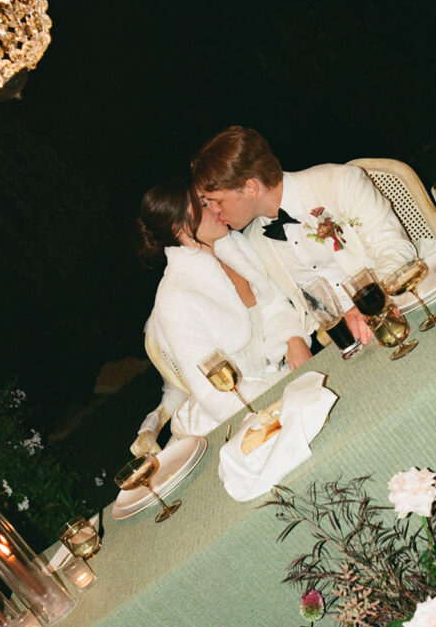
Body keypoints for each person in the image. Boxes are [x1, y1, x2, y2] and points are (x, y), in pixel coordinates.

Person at [192, 125, 416, 343]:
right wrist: (294, 341)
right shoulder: (252, 241)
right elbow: (273, 308)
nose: (214, 211)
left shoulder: (339, 182)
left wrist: (367, 306)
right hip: (342, 342)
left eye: (217, 201)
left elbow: (394, 248)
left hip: (407, 302)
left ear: (251, 188)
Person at [134, 178, 312, 440]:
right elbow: (216, 397)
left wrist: (293, 339)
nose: (218, 208)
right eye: (205, 204)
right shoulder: (176, 300)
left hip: (282, 374)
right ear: (179, 228)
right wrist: (282, 390)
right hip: (236, 416)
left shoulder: (234, 245)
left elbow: (272, 302)